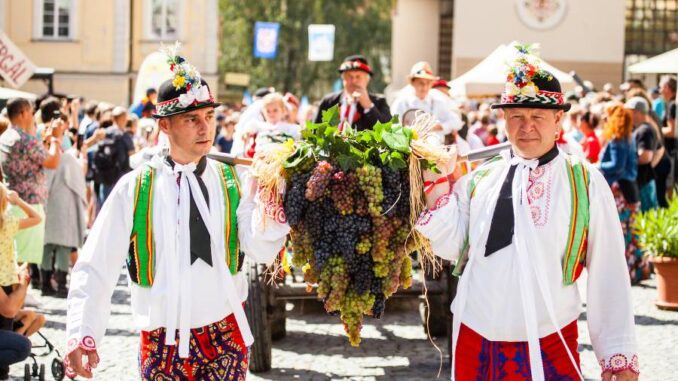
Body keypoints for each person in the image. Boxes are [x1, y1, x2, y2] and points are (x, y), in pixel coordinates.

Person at [415, 43, 638, 381]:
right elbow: (451, 246)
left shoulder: (585, 182)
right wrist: (436, 184)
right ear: (503, 119)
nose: (526, 126)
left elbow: (609, 272)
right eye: (516, 116)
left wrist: (616, 356)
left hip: (550, 338)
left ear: (558, 120)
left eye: (537, 116)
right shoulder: (480, 179)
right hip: (476, 338)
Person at [65, 48, 289, 380]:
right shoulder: (136, 187)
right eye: (192, 119)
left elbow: (257, 247)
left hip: (226, 335)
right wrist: (82, 331)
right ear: (165, 126)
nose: (205, 128)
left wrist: (273, 202)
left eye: (209, 117)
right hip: (162, 342)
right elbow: (96, 262)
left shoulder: (233, 181)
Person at [0, 98, 63, 287]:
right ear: (23, 113)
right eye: (30, 112)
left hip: (12, 200)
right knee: (23, 258)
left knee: (15, 256)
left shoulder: (5, 136)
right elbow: (52, 161)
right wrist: (56, 138)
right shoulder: (24, 139)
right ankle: (19, 299)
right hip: (29, 203)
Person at [0, 184, 43, 380]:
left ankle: (4, 370)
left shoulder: (8, 221)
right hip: (8, 276)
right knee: (9, 317)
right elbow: (37, 218)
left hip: (8, 276)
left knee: (9, 320)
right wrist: (17, 201)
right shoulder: (8, 221)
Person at [598, 104, 644, 284]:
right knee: (631, 234)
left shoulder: (618, 138)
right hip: (630, 188)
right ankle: (635, 272)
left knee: (620, 233)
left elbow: (617, 166)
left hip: (620, 191)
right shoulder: (629, 137)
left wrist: (597, 165)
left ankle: (624, 276)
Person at [314, 55, 391, 131]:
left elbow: (386, 133)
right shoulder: (328, 102)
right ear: (343, 79)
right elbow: (314, 131)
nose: (354, 81)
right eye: (349, 76)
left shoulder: (380, 102)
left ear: (367, 80)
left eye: (358, 76)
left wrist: (368, 106)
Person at [391, 62, 461, 142]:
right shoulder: (401, 103)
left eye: (428, 83)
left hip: (434, 150)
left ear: (431, 84)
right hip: (408, 149)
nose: (424, 87)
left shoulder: (438, 101)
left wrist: (439, 126)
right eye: (421, 83)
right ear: (413, 82)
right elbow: (394, 126)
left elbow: (456, 121)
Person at [625, 97, 660, 211]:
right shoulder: (643, 129)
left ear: (636, 112)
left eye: (629, 111)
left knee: (647, 217)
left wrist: (626, 161)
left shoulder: (645, 130)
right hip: (644, 180)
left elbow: (646, 156)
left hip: (644, 181)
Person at [242, 93, 301, 158]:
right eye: (268, 111)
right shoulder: (259, 125)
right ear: (263, 111)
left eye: (275, 110)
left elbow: (298, 136)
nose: (271, 113)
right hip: (261, 157)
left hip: (279, 159)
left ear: (283, 110)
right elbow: (249, 129)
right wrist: (246, 133)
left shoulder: (290, 128)